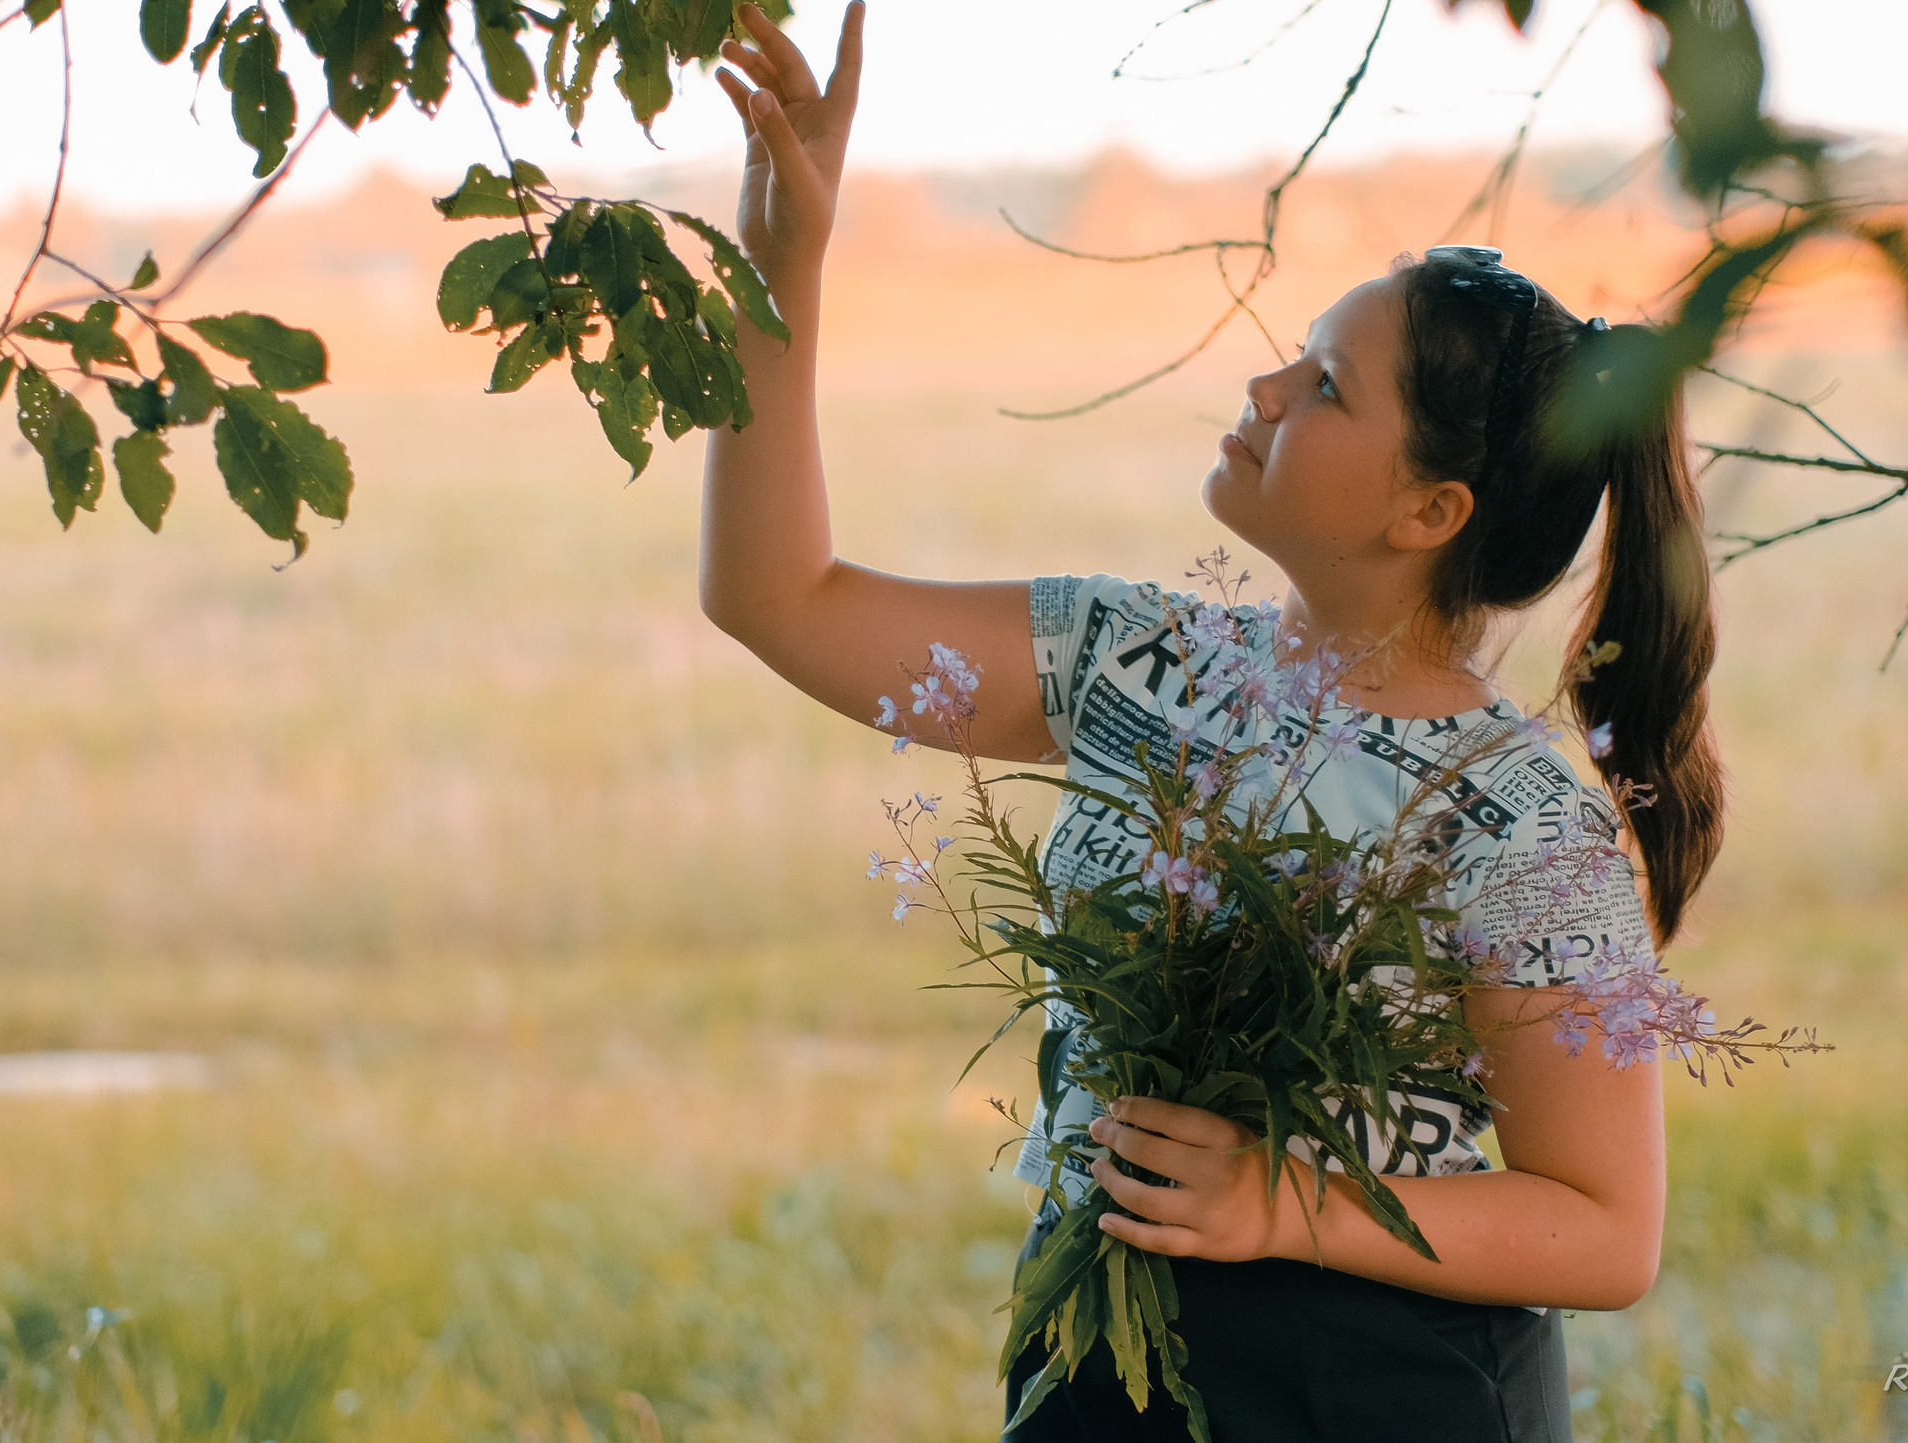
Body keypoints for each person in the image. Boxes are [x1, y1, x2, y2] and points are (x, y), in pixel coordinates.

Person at [700, 6, 1723, 1439]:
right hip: (1102, 1364)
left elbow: (1607, 1230)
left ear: (1430, 512)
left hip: (1383, 1394)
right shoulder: (1132, 658)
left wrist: (1276, 1201)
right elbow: (779, 599)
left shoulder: (1522, 822)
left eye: (1323, 388)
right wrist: (779, 265)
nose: (1260, 391)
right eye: (1296, 359)